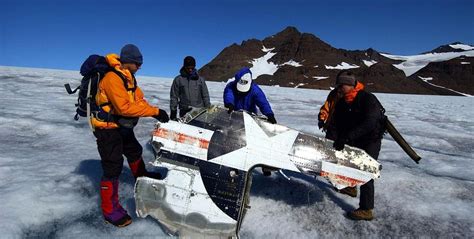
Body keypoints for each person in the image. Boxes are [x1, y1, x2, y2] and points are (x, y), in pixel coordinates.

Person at [92, 44, 169, 227]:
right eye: (137, 63)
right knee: (112, 167)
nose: (140, 66)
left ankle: (141, 177)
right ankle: (109, 210)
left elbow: (139, 100)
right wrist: (154, 111)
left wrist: (152, 110)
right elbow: (123, 107)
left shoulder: (129, 78)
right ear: (128, 61)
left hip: (121, 126)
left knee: (134, 150)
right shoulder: (112, 78)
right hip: (107, 128)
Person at [327, 70, 385, 221]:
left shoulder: (367, 99)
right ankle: (352, 188)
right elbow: (334, 123)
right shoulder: (343, 102)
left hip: (370, 139)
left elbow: (370, 123)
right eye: (338, 85)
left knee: (365, 170)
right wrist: (331, 141)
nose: (338, 89)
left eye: (341, 86)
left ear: (350, 85)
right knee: (349, 164)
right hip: (354, 139)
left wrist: (346, 137)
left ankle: (366, 209)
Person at [223, 67, 277, 176]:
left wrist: (269, 114)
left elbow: (263, 102)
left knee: (259, 140)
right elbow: (229, 95)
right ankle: (235, 167)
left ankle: (265, 166)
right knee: (234, 141)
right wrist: (229, 104)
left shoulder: (255, 89)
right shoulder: (231, 86)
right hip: (236, 115)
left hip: (251, 117)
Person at [170, 56, 211, 120]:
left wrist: (208, 108)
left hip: (199, 111)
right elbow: (174, 97)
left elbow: (205, 95)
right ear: (184, 66)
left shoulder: (200, 80)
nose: (190, 70)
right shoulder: (178, 80)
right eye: (188, 67)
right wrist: (173, 112)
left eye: (192, 67)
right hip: (184, 111)